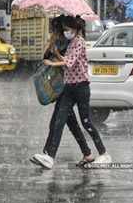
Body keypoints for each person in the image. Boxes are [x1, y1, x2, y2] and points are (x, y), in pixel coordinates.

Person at [31, 15, 111, 169]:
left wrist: (52, 63)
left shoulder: (79, 41)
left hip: (81, 87)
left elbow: (69, 62)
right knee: (59, 121)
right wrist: (56, 53)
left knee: (85, 122)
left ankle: (103, 153)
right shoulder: (71, 42)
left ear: (75, 29)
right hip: (68, 87)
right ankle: (49, 156)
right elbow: (66, 58)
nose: (65, 32)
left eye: (67, 29)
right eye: (64, 30)